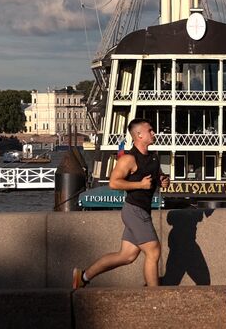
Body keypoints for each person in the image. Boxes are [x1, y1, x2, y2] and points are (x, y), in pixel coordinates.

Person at [73, 118, 170, 289]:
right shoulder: (129, 159)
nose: (154, 133)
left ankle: (83, 276)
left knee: (126, 256)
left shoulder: (153, 158)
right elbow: (114, 183)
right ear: (139, 135)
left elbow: (158, 178)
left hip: (142, 211)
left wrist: (163, 181)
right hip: (134, 211)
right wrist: (140, 185)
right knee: (153, 251)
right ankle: (155, 297)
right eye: (150, 130)